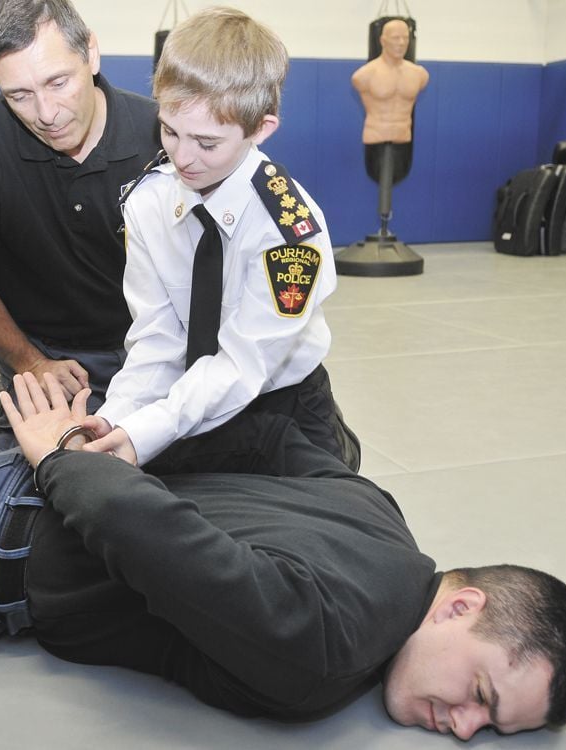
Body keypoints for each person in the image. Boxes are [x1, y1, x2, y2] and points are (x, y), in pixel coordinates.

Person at [0, 387, 566, 739]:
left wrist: (114, 434)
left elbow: (268, 434)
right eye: (482, 697)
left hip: (8, 495)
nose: (464, 730)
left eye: (491, 734)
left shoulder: (382, 517)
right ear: (463, 608)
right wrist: (68, 459)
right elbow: (174, 554)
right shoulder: (328, 652)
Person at [80, 8, 358, 470]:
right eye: (169, 130)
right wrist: (116, 419)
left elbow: (244, 364)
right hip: (188, 398)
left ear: (260, 129)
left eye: (207, 143)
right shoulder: (149, 204)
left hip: (284, 408)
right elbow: (159, 339)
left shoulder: (289, 235)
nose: (183, 158)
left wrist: (146, 432)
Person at [0, 0, 161, 434]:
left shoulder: (159, 134)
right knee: (63, 474)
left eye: (58, 82)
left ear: (90, 53)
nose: (46, 113)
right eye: (19, 95)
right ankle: (4, 406)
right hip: (45, 351)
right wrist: (28, 361)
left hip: (155, 342)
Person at [351, 19, 429, 186]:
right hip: (375, 134)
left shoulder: (419, 74)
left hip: (403, 135)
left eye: (405, 37)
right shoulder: (364, 75)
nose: (401, 43)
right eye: (395, 37)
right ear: (382, 40)